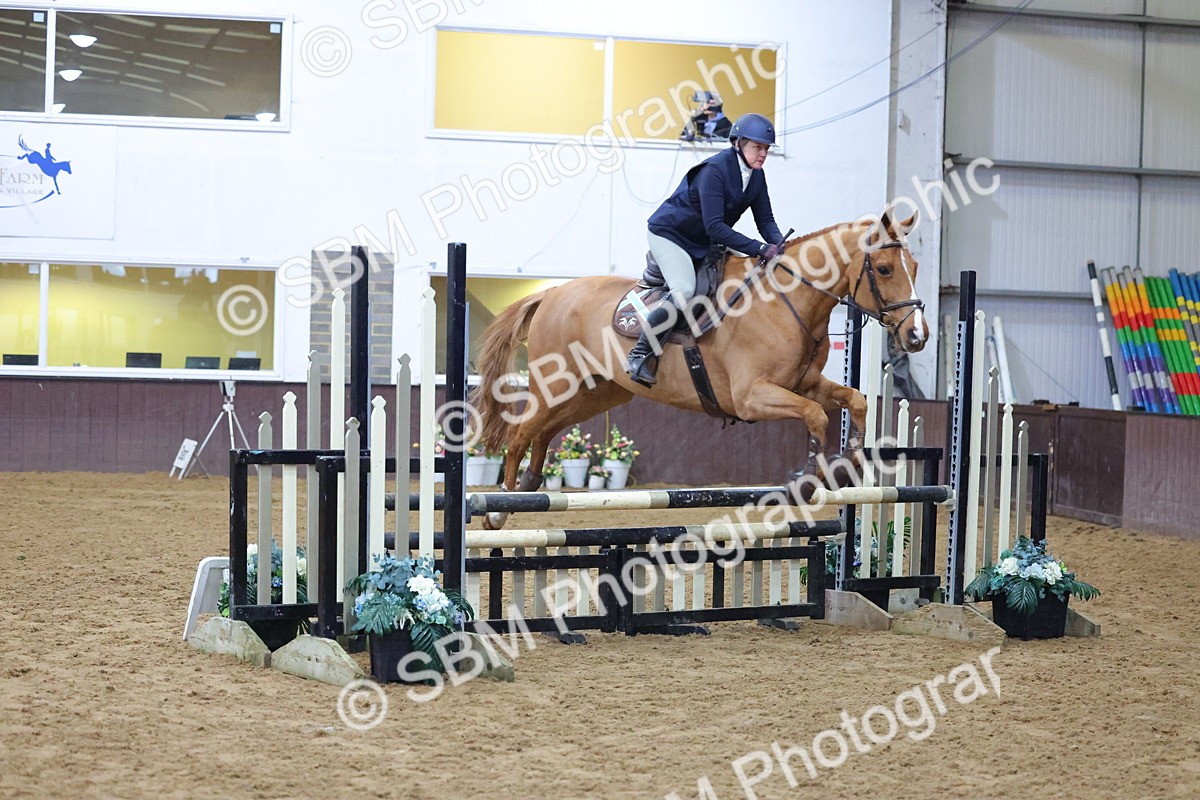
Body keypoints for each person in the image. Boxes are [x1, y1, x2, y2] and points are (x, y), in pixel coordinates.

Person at [627, 112, 784, 388]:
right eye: (758, 147)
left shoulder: (756, 177)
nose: (763, 154)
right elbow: (715, 227)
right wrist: (760, 248)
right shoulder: (715, 170)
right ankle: (640, 354)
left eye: (766, 149)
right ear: (738, 143)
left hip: (702, 241)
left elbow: (766, 220)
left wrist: (780, 245)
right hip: (671, 235)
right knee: (685, 290)